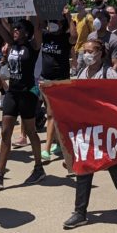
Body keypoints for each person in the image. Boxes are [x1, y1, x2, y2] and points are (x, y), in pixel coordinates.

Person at [55, 38, 117, 229]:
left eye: (91, 51)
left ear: (100, 54)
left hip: (105, 129)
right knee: (84, 167)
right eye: (85, 51)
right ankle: (80, 212)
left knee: (113, 164)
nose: (87, 55)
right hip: (86, 129)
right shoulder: (82, 72)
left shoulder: (109, 74)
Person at [0, 17, 45, 187]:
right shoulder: (11, 44)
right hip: (12, 93)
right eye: (14, 28)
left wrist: (32, 4)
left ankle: (39, 167)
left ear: (27, 32)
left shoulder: (32, 46)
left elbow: (37, 27)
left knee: (31, 131)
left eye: (18, 28)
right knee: (6, 133)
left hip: (27, 93)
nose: (15, 30)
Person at [40, 12, 75, 162]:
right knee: (55, 114)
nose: (54, 23)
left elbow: (74, 36)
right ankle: (60, 143)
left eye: (58, 21)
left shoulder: (65, 38)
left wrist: (68, 17)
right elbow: (36, 25)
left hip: (60, 80)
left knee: (51, 114)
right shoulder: (46, 36)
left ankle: (47, 148)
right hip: (45, 79)